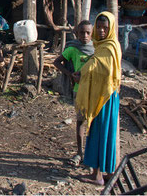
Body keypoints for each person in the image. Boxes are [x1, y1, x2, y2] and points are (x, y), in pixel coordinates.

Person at [73, 12, 121, 186]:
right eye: (99, 27)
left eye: (105, 28)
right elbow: (95, 64)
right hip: (104, 95)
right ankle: (108, 172)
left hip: (104, 97)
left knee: (100, 133)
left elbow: (102, 70)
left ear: (111, 28)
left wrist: (83, 73)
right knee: (105, 134)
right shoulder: (101, 46)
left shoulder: (109, 47)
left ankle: (97, 175)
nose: (101, 31)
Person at [52, 20, 94, 166]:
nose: (85, 35)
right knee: (81, 122)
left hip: (95, 91)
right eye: (82, 32)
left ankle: (92, 154)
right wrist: (70, 74)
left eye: (88, 32)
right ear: (76, 33)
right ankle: (79, 153)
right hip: (79, 90)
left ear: (92, 33)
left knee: (94, 123)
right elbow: (56, 62)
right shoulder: (72, 49)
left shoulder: (97, 48)